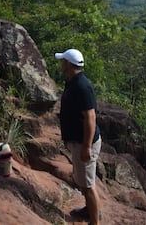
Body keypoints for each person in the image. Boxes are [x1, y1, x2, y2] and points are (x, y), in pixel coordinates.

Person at [56, 48, 102, 225]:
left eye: (63, 61)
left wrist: (87, 146)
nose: (61, 64)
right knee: (83, 181)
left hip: (84, 142)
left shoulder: (82, 86)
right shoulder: (73, 81)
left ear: (68, 64)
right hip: (78, 140)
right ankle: (88, 210)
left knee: (88, 186)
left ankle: (95, 221)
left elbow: (90, 117)